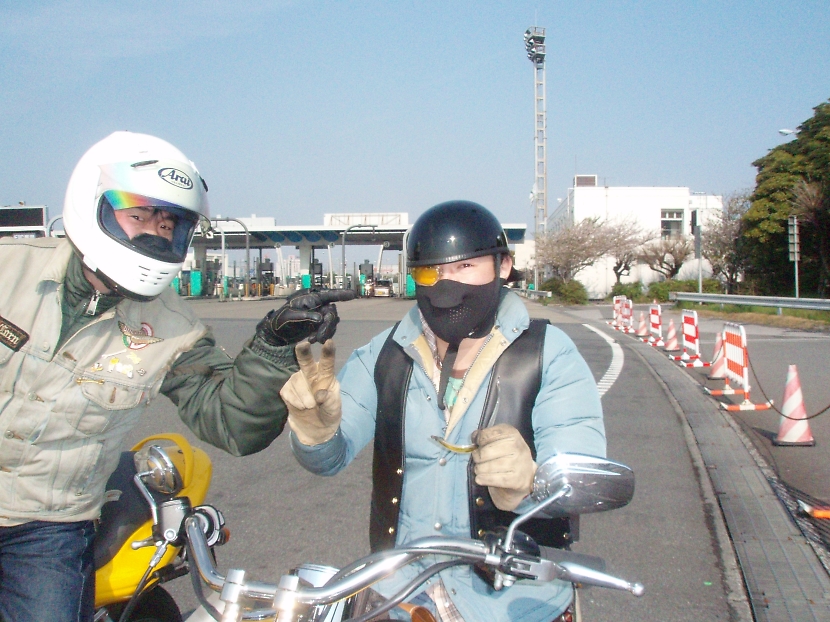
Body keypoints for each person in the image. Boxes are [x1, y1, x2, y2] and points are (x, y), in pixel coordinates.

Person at [0, 131, 354, 622]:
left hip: (44, 528)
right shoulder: (8, 268)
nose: (157, 234)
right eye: (140, 216)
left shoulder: (174, 328)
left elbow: (232, 423)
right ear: (93, 202)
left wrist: (274, 345)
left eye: (170, 224)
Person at [282, 200, 606, 622]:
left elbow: (582, 475)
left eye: (466, 266)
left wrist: (531, 483)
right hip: (399, 597)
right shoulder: (385, 353)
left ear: (503, 266)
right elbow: (328, 460)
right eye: (430, 271)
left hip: (513, 605)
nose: (446, 284)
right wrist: (316, 433)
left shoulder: (548, 354)